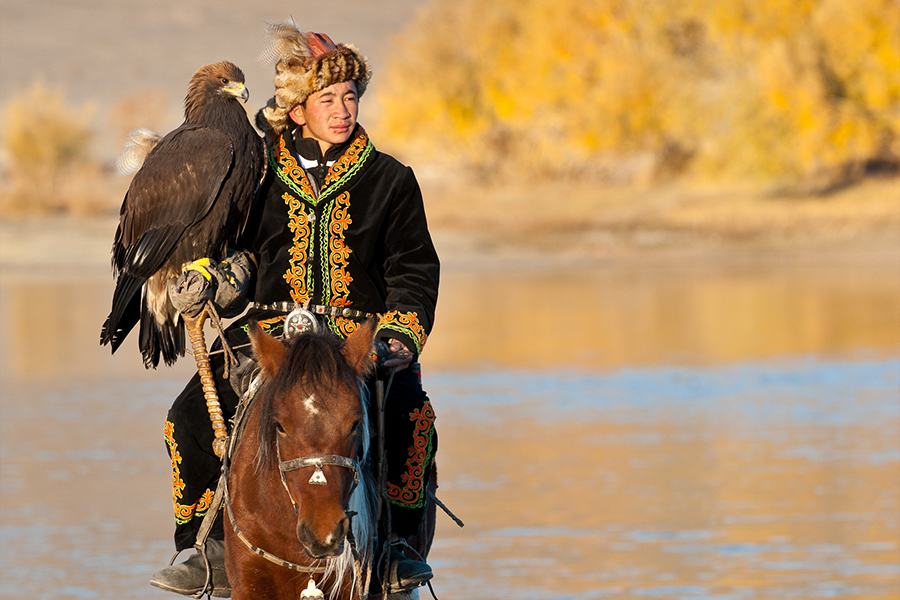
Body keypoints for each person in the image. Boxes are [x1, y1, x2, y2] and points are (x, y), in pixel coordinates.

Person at [149, 22, 439, 597]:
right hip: (273, 337)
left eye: (350, 97)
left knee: (411, 417)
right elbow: (240, 254)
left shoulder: (391, 180)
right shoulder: (256, 173)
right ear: (298, 110)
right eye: (327, 99)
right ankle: (200, 548)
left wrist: (399, 339)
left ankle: (399, 548)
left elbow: (413, 269)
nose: (341, 110)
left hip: (356, 340)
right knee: (185, 420)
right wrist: (209, 282)